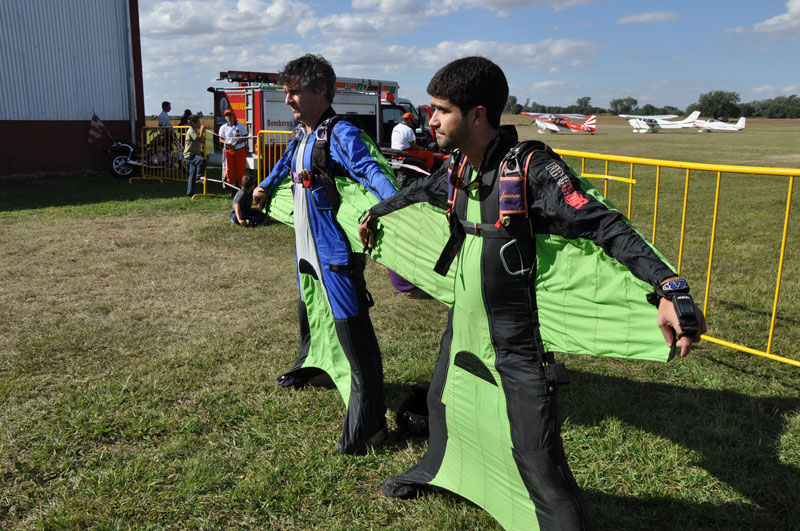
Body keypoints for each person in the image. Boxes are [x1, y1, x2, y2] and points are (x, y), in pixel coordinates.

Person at [359, 56, 706, 530]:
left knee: (538, 460)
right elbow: (421, 192)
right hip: (463, 327)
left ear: (477, 115)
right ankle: (437, 467)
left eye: (441, 110)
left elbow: (605, 223)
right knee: (443, 407)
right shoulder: (460, 165)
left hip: (519, 344)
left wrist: (669, 286)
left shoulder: (532, 170)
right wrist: (377, 212)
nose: (431, 120)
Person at [252, 54, 397, 455]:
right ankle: (316, 367)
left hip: (335, 254)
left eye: (295, 92)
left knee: (354, 333)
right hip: (306, 249)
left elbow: (374, 171)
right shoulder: (303, 133)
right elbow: (284, 164)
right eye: (286, 92)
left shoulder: (341, 133)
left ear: (322, 90)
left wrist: (389, 211)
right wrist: (263, 186)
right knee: (311, 312)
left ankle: (371, 426)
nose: (289, 100)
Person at [219, 109, 248, 191]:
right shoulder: (223, 128)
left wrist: (236, 143)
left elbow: (245, 137)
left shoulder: (240, 125)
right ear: (225, 117)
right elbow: (220, 139)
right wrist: (227, 143)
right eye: (227, 115)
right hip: (228, 151)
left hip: (240, 151)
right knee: (229, 170)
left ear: (234, 116)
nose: (229, 117)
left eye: (230, 115)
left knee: (240, 170)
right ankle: (232, 189)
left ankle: (241, 188)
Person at [183, 115, 206, 196]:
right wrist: (202, 130)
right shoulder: (191, 130)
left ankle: (190, 192)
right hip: (190, 154)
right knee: (201, 160)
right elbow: (199, 139)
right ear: (193, 123)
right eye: (198, 122)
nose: (200, 123)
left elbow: (200, 141)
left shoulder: (195, 130)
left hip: (195, 153)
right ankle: (199, 176)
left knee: (192, 174)